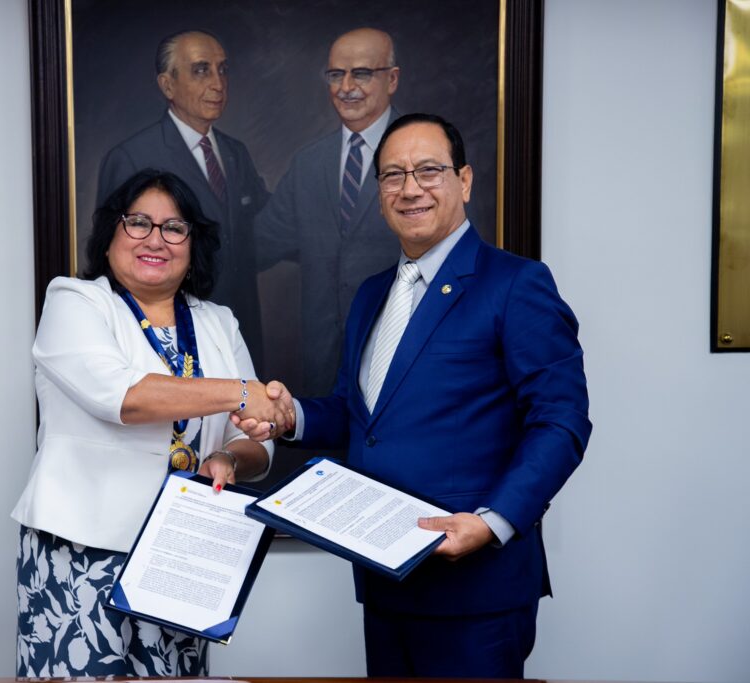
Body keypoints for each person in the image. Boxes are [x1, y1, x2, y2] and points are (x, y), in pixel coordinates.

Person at [238, 113, 592, 678]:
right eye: (393, 175)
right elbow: (361, 417)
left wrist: (494, 521)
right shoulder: (371, 295)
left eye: (429, 170)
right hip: (384, 578)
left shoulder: (516, 284)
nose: (410, 189)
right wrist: (290, 417)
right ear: (379, 193)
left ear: (464, 181)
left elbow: (562, 420)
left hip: (475, 587)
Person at [12, 169, 284, 678]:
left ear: (192, 246)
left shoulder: (217, 321)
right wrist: (244, 391)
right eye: (138, 223)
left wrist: (226, 456)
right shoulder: (76, 302)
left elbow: (255, 441)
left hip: (180, 553)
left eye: (174, 228)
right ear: (110, 236)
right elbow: (123, 396)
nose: (155, 239)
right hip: (82, 551)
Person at [97, 30, 269, 370]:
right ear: (167, 85)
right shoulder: (131, 157)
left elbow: (263, 233)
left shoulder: (235, 153)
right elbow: (116, 258)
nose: (218, 83)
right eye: (202, 70)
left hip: (238, 330)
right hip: (165, 337)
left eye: (223, 70)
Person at [253, 28, 402, 395]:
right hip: (322, 371)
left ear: (392, 79)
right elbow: (257, 245)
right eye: (336, 74)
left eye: (361, 73)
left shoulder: (422, 151)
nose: (346, 87)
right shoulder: (308, 163)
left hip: (400, 363)